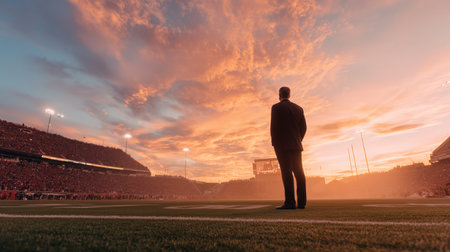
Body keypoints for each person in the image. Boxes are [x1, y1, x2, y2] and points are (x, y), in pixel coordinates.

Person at [270, 86, 307, 210]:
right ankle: (301, 203)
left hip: (282, 145)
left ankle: (290, 202)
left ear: (279, 95)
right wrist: (298, 140)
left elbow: (274, 127)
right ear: (289, 95)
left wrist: (275, 144)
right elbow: (304, 128)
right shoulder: (299, 109)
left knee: (286, 172)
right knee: (299, 172)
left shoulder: (276, 107)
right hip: (296, 144)